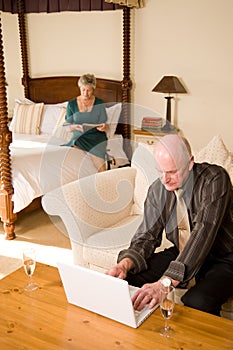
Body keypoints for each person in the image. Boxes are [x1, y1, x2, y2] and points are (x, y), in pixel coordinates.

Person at [106, 134, 233, 316]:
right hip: (183, 249)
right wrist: (124, 265)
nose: (165, 179)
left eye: (172, 172)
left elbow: (203, 231)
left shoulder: (215, 180)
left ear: (190, 163)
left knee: (196, 302)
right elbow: (147, 237)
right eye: (160, 171)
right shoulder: (158, 190)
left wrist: (164, 284)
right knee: (128, 280)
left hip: (224, 256)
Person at [63, 73, 107, 172]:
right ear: (79, 88)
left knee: (102, 169)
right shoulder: (72, 104)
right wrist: (74, 127)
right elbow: (67, 126)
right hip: (79, 137)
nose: (85, 93)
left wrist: (103, 127)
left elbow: (103, 123)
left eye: (89, 90)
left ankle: (103, 183)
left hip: (96, 138)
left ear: (93, 89)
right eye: (83, 90)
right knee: (71, 157)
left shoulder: (99, 103)